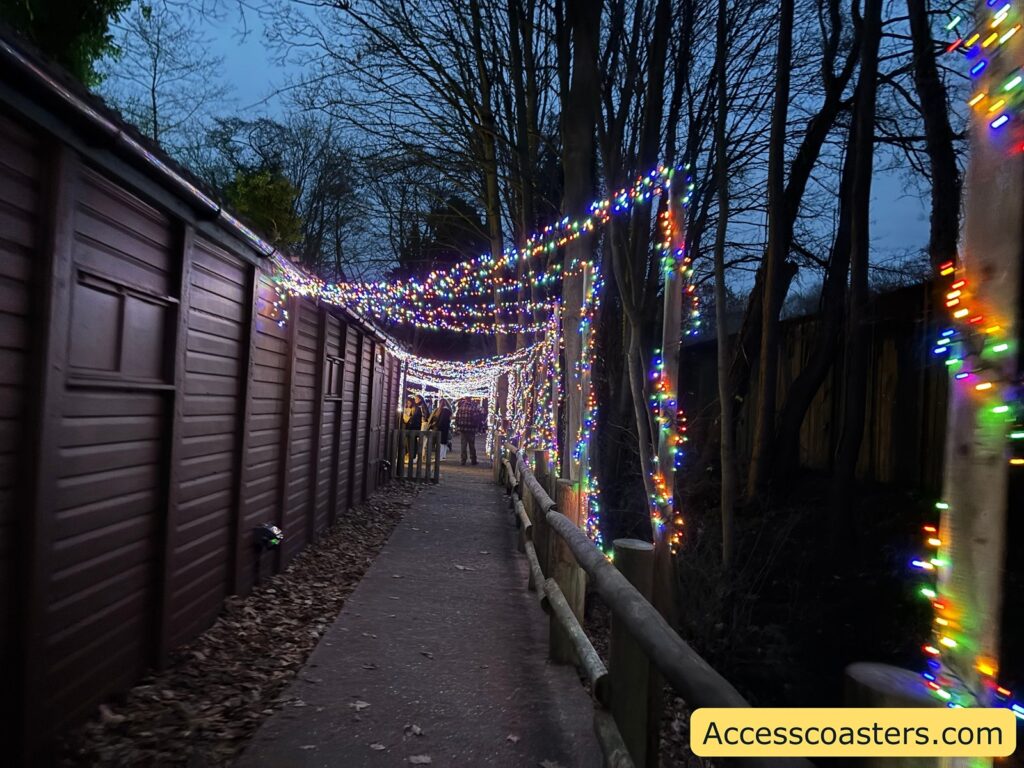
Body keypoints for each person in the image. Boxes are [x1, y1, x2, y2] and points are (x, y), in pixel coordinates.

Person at [455, 397, 482, 465]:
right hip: (471, 429)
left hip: (462, 429)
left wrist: (458, 426)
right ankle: (473, 460)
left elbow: (457, 418)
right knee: (471, 445)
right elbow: (476, 418)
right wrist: (477, 427)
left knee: (463, 445)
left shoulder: (461, 407)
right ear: (470, 399)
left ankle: (463, 460)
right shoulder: (473, 408)